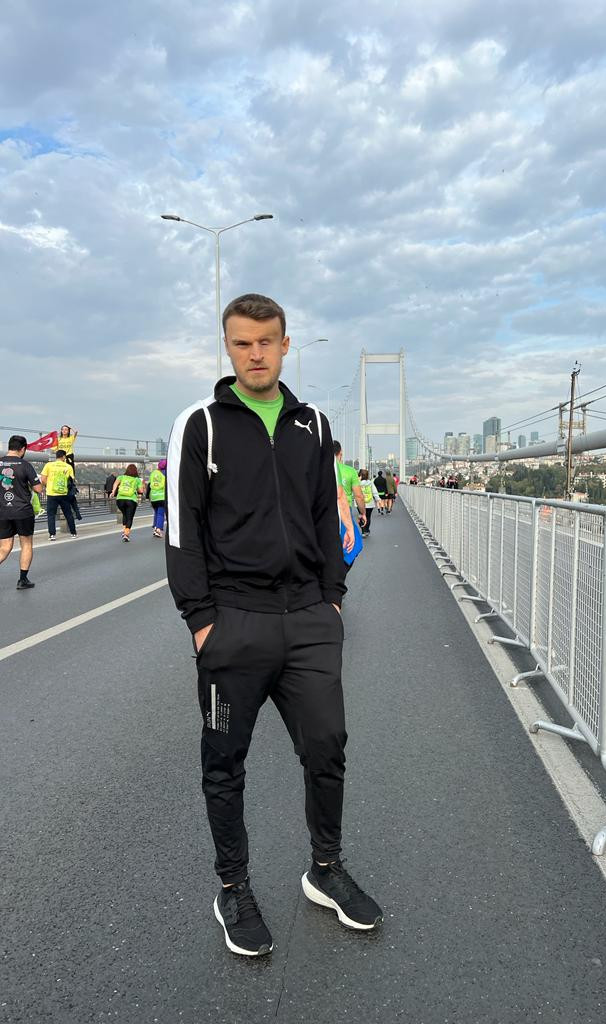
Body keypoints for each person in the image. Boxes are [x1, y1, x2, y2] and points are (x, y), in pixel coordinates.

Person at [166, 292, 382, 959]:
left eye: (266, 342)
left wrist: (332, 599)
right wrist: (203, 621)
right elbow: (182, 529)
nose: (255, 354)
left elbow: (326, 514)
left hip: (310, 620)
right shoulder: (200, 425)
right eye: (242, 343)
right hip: (234, 625)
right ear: (228, 347)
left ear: (285, 345)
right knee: (224, 759)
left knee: (327, 747)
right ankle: (233, 886)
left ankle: (326, 868)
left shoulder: (312, 424)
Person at [0, 435, 43, 590]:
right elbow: (38, 489)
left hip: (3, 511)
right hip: (22, 511)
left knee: (5, 547)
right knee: (26, 544)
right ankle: (22, 580)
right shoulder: (25, 465)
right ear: (23, 449)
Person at [41, 449, 77, 540]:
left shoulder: (49, 465)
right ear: (64, 457)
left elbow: (43, 479)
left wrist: (48, 486)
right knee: (68, 514)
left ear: (56, 456)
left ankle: (52, 535)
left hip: (51, 493)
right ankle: (73, 533)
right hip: (64, 493)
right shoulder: (68, 466)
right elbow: (72, 480)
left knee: (51, 515)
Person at [333, 442, 367, 532]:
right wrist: (363, 513)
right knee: (351, 539)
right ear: (340, 453)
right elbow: (359, 496)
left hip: (324, 512)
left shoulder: (318, 471)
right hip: (345, 510)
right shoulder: (350, 471)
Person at [110, 464, 144, 541]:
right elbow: (141, 491)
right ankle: (126, 534)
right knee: (129, 517)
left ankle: (124, 531)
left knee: (125, 514)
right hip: (131, 500)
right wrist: (137, 490)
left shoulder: (121, 477)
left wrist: (113, 492)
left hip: (120, 499)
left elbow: (115, 484)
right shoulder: (137, 480)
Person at [149, 459, 167, 538]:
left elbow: (149, 484)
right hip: (161, 496)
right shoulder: (165, 473)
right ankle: (158, 530)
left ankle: (155, 528)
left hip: (153, 497)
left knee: (156, 513)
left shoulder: (153, 473)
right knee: (160, 514)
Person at [358, 469, 379, 537]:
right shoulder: (370, 483)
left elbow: (354, 492)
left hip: (360, 503)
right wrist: (378, 499)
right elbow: (374, 492)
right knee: (368, 517)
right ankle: (367, 530)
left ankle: (363, 531)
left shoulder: (357, 483)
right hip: (369, 503)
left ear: (360, 475)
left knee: (361, 516)